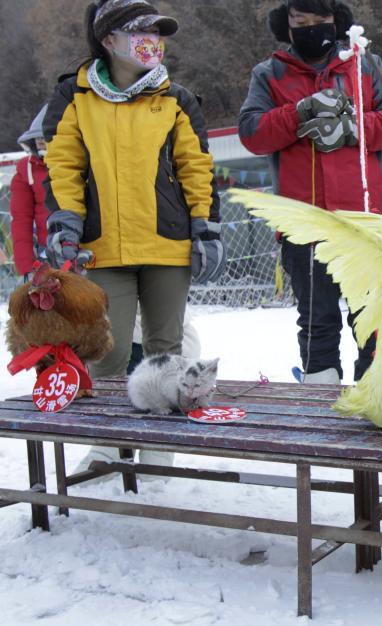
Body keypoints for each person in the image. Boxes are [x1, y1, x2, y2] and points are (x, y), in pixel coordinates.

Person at [43, 0, 223, 472]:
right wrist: (65, 222)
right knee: (107, 349)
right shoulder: (74, 96)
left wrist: (206, 227)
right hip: (100, 247)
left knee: (166, 349)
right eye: (141, 31)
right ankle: (106, 446)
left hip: (167, 244)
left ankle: (159, 448)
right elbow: (62, 166)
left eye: (158, 32)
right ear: (109, 40)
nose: (153, 40)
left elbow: (196, 167)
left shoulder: (176, 98)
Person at [239, 0, 382, 384]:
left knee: (374, 317)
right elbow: (252, 133)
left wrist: (352, 125)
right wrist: (298, 112)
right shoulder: (269, 74)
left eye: (322, 20)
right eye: (302, 20)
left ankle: (376, 396)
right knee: (317, 319)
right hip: (305, 224)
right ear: (287, 22)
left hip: (365, 220)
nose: (312, 27)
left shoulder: (364, 64)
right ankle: (321, 401)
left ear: (339, 21)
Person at [10, 105, 50, 278]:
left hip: (86, 252)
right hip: (46, 255)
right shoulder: (26, 170)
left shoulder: (82, 164)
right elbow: (21, 219)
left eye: (45, 136)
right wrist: (27, 266)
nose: (40, 141)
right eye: (37, 137)